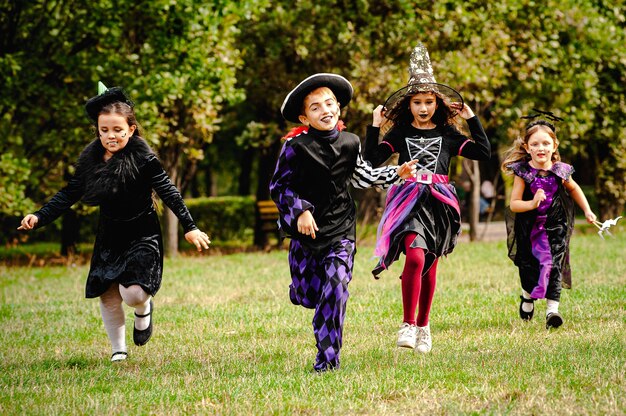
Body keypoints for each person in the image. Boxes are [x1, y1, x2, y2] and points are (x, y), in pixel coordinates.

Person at [18, 82, 211, 362]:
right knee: (108, 295)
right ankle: (118, 350)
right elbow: (69, 193)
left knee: (132, 293)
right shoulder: (90, 160)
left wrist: (190, 226)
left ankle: (143, 309)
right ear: (97, 130)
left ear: (131, 129)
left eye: (118, 130)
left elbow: (169, 191)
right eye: (104, 130)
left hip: (143, 233)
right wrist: (40, 216)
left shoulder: (143, 158)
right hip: (109, 236)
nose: (111, 136)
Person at [270, 73, 418, 372]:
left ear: (338, 106)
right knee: (311, 295)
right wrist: (300, 211)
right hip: (306, 234)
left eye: (329, 103)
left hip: (341, 231)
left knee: (336, 288)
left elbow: (363, 176)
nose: (324, 110)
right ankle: (300, 289)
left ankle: (327, 361)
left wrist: (396, 173)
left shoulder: (350, 143)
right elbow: (279, 187)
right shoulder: (295, 147)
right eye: (315, 107)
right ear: (304, 116)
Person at [363, 43, 491, 352]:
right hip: (407, 201)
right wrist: (375, 126)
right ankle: (407, 324)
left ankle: (424, 326)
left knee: (429, 265)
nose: (423, 108)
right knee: (416, 256)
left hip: (440, 203)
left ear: (437, 103)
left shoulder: (448, 134)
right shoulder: (400, 134)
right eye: (417, 102)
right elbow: (370, 158)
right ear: (408, 104)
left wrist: (471, 118)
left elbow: (484, 152)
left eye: (429, 102)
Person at [501, 118, 596, 329]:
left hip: (556, 226)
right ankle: (527, 295)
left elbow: (574, 189)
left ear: (555, 146)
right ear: (527, 147)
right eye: (534, 144)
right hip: (529, 227)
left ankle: (552, 311)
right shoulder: (523, 172)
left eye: (545, 143)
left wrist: (587, 210)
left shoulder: (561, 170)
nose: (540, 148)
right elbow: (515, 204)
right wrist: (533, 203)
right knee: (529, 267)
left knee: (555, 265)